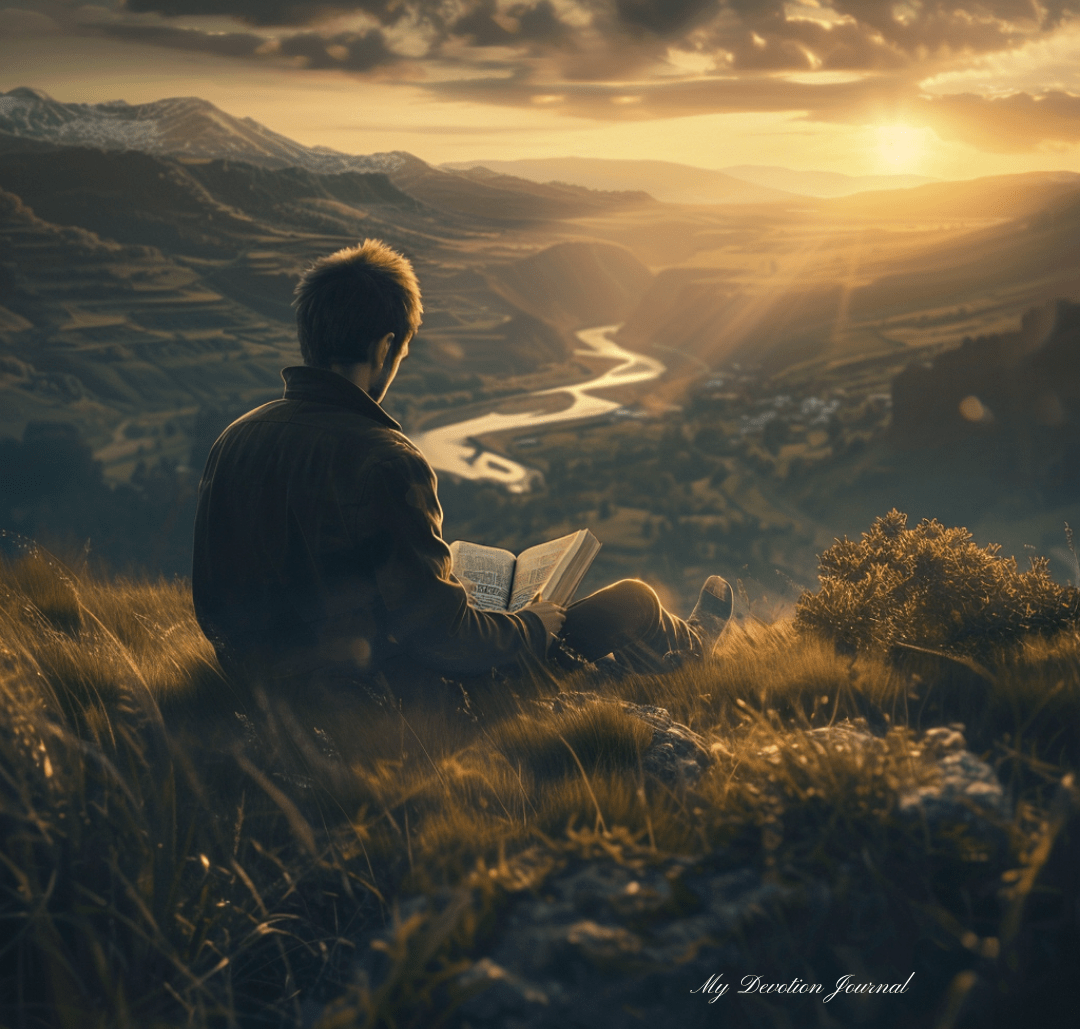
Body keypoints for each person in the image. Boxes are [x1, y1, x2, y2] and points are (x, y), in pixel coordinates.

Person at [191, 239, 732, 729]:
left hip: (256, 683)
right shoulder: (386, 460)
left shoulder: (234, 440)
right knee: (633, 601)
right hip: (391, 698)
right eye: (400, 352)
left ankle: (631, 671)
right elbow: (442, 637)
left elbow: (215, 598)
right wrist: (531, 626)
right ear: (384, 347)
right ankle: (691, 648)